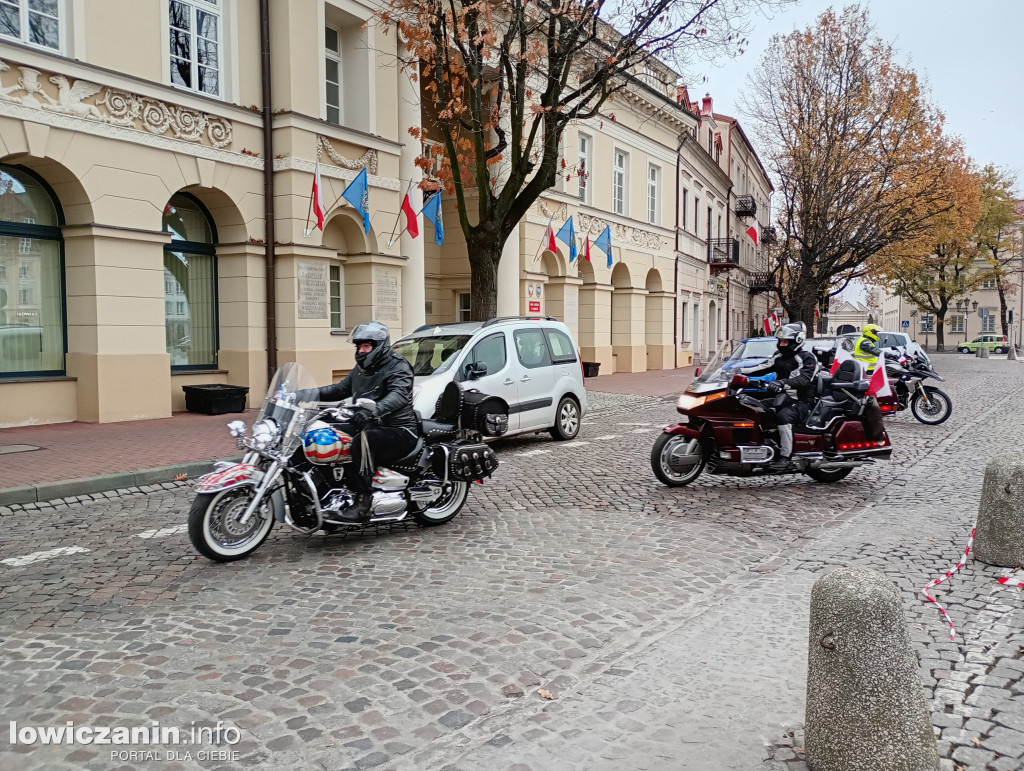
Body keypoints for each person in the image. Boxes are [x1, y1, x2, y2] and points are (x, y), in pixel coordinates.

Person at [303, 321, 419, 522]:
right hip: (370, 423)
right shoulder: (362, 368)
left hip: (399, 429)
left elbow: (398, 395)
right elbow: (341, 389)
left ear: (379, 345)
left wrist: (374, 411)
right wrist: (306, 394)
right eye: (359, 346)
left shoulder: (398, 366)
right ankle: (318, 492)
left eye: (366, 346)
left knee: (361, 442)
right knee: (321, 433)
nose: (361, 350)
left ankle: (362, 502)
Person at [749, 322, 820, 471]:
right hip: (783, 398)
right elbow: (761, 367)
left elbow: (805, 379)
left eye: (785, 341)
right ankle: (761, 445)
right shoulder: (779, 356)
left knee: (784, 416)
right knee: (752, 406)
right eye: (780, 341)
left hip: (803, 402)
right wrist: (734, 372)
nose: (781, 344)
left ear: (797, 340)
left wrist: (782, 383)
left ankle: (785, 457)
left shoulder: (807, 358)